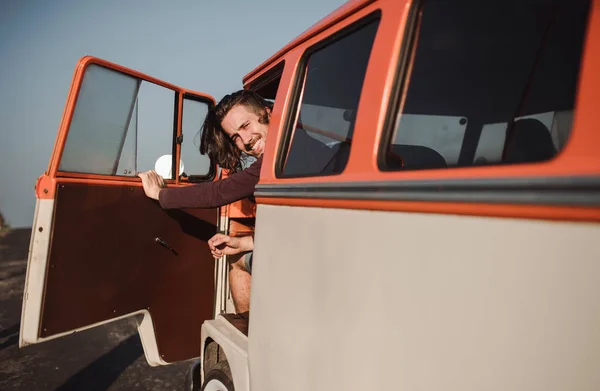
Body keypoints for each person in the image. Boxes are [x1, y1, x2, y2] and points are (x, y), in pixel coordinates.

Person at [138, 90, 338, 312]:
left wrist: (160, 194)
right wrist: (245, 242)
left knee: (239, 263)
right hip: (322, 244)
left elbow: (220, 193)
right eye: (235, 137)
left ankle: (250, 335)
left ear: (268, 113)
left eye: (245, 126)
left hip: (321, 256)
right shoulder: (304, 146)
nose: (245, 141)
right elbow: (302, 225)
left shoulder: (282, 155)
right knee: (241, 250)